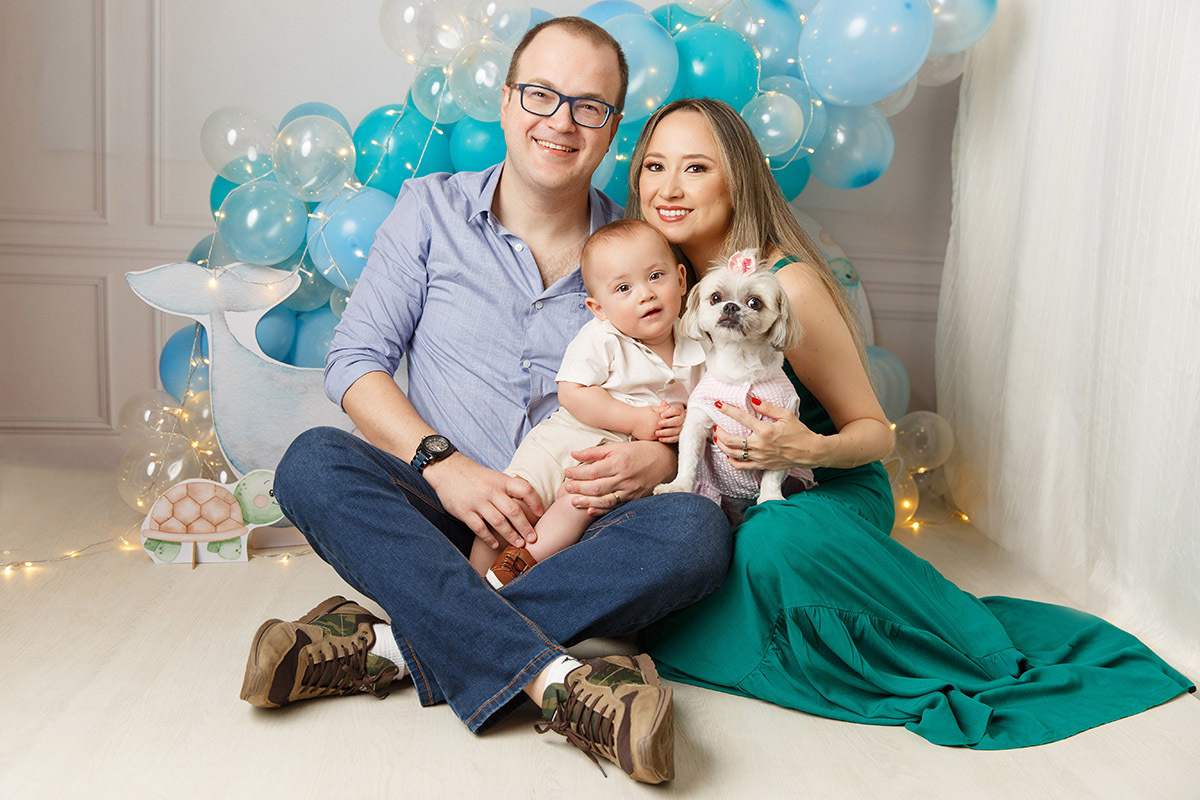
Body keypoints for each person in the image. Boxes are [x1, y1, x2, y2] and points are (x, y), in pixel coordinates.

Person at [240, 20, 730, 785]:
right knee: (310, 464)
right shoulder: (427, 209)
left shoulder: (642, 252)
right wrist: (444, 464)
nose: (561, 121)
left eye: (589, 106)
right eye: (541, 95)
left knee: (697, 532)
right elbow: (355, 362)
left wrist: (657, 459)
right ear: (505, 102)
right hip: (439, 509)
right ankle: (560, 682)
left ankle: (389, 646)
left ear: (612, 129)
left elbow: (689, 391)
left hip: (577, 523)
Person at [626, 98, 1194, 749]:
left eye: (696, 167)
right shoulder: (650, 282)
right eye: (655, 166)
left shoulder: (789, 285)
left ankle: (929, 642)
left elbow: (875, 433)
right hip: (724, 486)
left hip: (823, 488)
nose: (669, 188)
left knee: (769, 540)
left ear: (738, 180)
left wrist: (804, 445)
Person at [471, 218, 702, 586]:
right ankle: (470, 583)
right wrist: (635, 420)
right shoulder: (603, 337)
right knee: (509, 508)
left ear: (681, 279)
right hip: (565, 442)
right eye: (624, 288)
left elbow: (705, 406)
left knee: (578, 505)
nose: (645, 294)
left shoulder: (699, 347)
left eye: (656, 276)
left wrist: (683, 419)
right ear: (599, 308)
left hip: (617, 463)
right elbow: (573, 392)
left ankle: (512, 571)